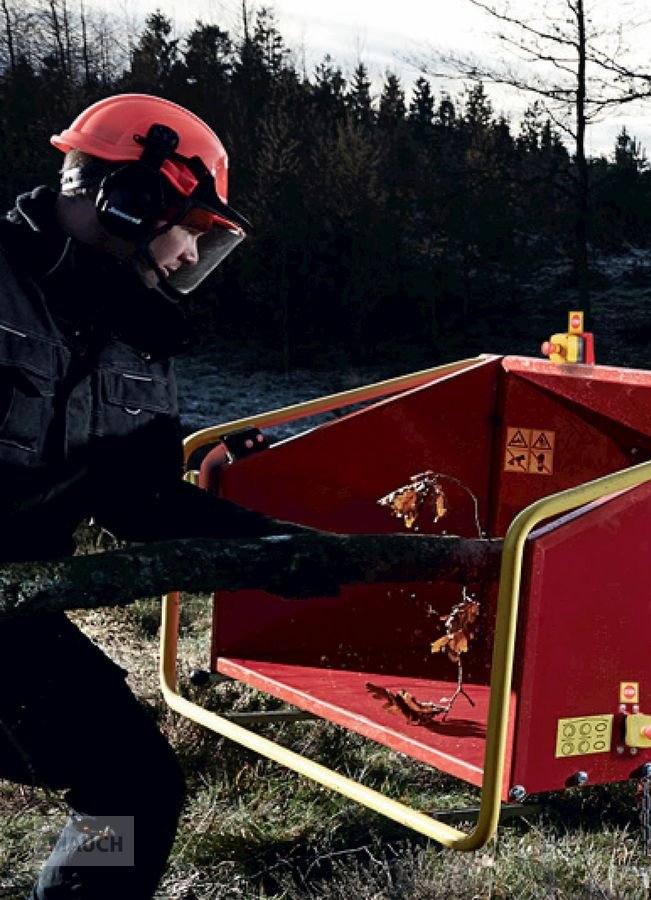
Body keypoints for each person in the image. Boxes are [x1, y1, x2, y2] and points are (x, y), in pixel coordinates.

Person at [0, 94, 303, 899]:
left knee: (132, 793)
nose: (185, 257)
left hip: (12, 613)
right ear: (134, 197)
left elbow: (141, 503)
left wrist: (269, 545)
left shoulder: (135, 337)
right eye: (192, 228)